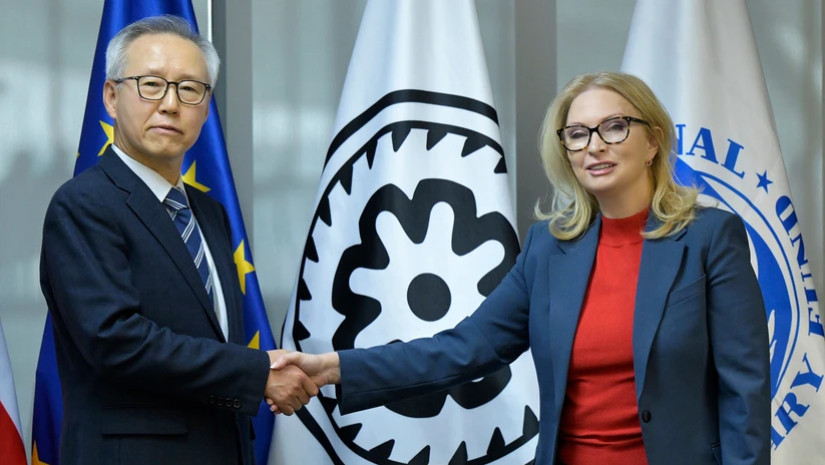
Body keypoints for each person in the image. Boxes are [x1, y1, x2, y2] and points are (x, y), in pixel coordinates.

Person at [272, 72, 771, 465]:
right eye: (577, 134)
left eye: (615, 127)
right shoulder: (549, 249)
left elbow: (744, 389)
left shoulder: (709, 238)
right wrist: (331, 368)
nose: (594, 146)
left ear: (653, 142)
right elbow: (463, 350)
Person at [40, 15, 314, 465]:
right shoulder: (83, 205)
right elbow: (115, 341)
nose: (170, 104)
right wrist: (257, 373)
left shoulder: (210, 213)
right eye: (151, 85)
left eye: (190, 89)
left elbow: (211, 342)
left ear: (205, 109)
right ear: (111, 97)